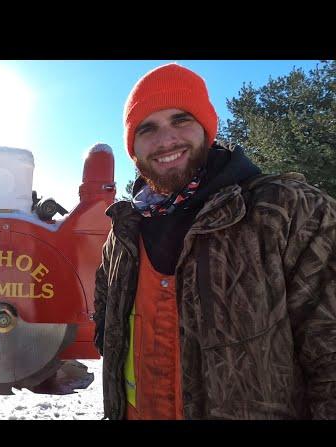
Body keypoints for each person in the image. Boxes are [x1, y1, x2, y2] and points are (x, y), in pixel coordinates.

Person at [93, 63, 336, 420]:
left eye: (181, 119)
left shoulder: (289, 211)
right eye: (147, 128)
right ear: (133, 147)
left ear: (208, 128)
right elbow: (106, 318)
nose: (165, 140)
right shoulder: (125, 230)